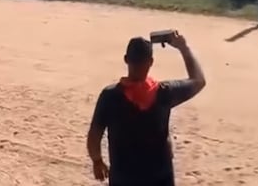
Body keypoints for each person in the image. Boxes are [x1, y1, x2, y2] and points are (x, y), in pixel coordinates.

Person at [87, 32, 206, 186]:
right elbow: (198, 80)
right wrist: (183, 48)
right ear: (150, 62)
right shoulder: (164, 93)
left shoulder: (110, 96)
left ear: (126, 60)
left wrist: (97, 161)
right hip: (160, 177)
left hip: (124, 178)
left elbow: (94, 135)